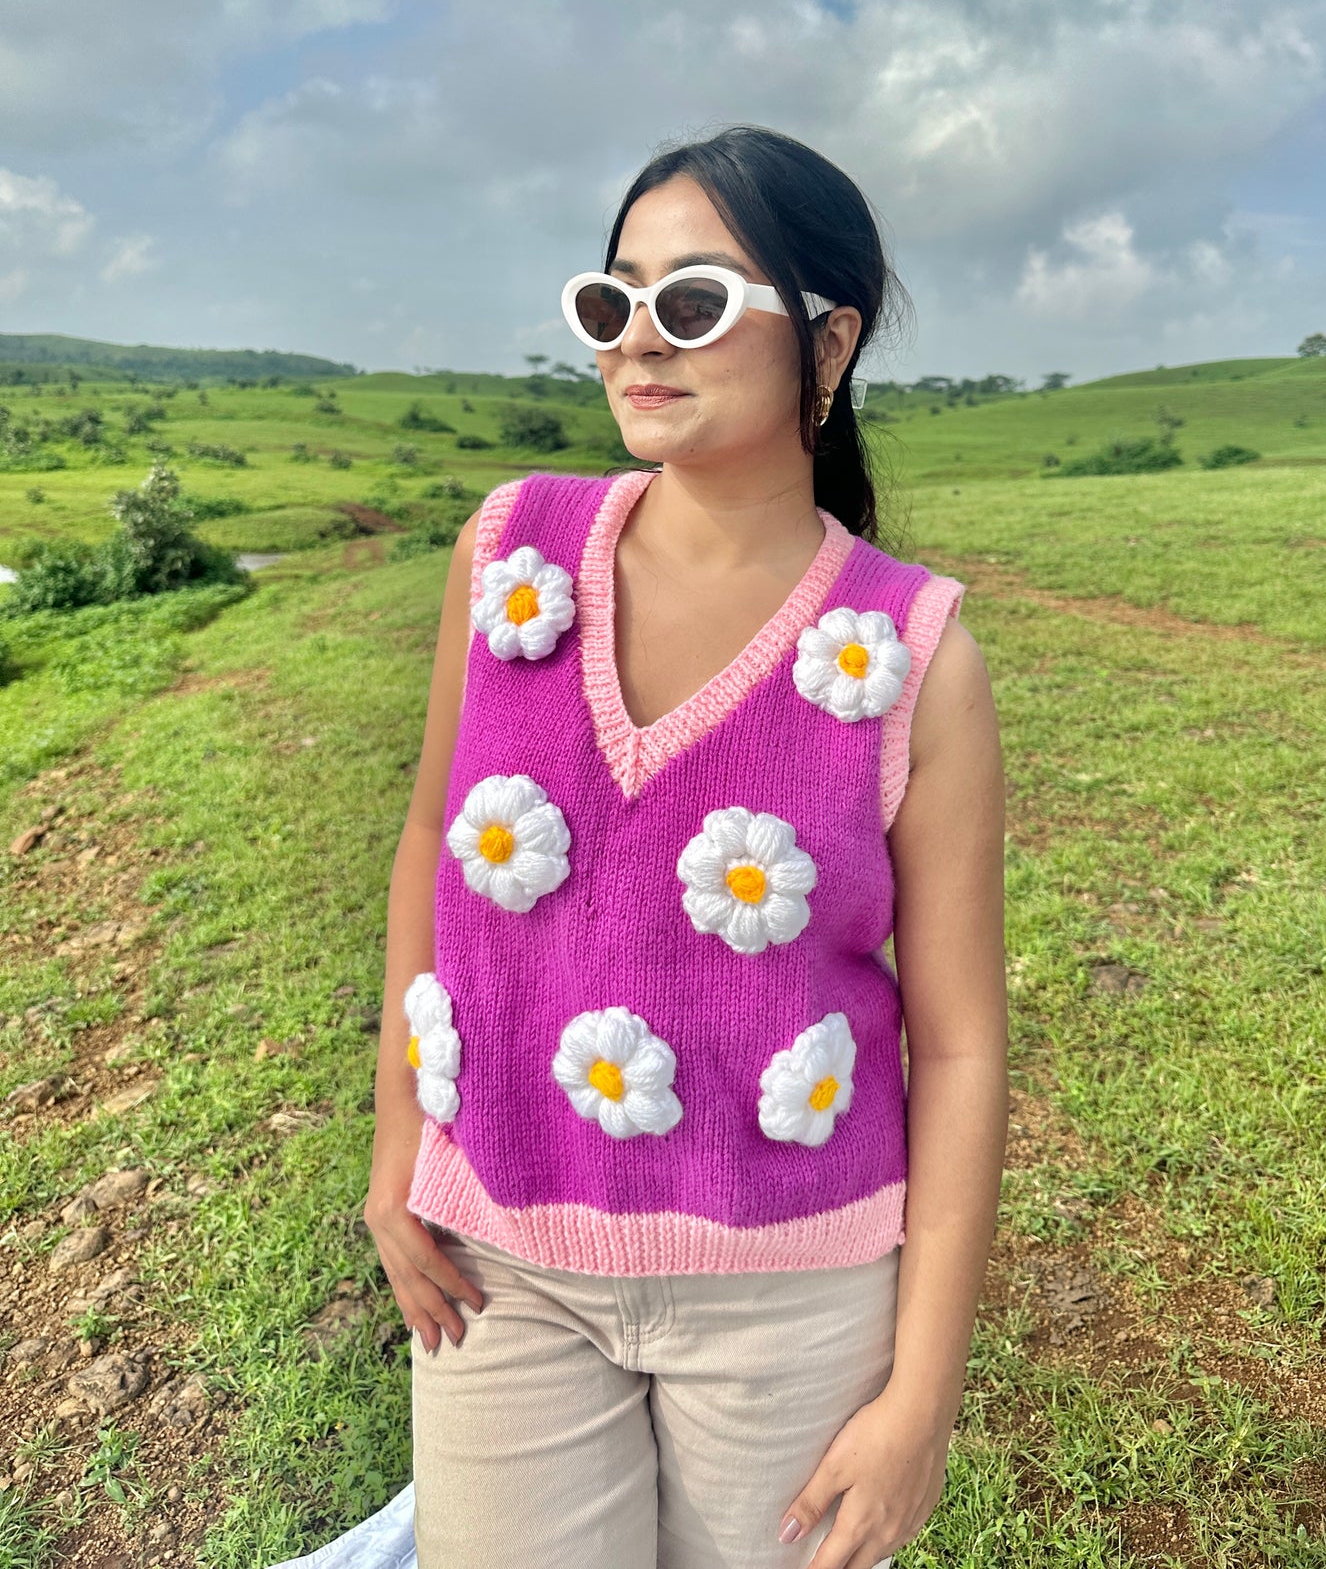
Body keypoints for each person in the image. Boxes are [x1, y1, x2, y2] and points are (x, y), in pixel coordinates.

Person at [279, 124, 1007, 1569]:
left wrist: (919, 1399)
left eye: (690, 303)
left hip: (792, 1294)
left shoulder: (912, 656)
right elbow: (433, 836)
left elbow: (962, 1042)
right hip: (501, 1267)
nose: (634, 344)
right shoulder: (511, 559)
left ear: (828, 339)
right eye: (609, 303)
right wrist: (394, 1152)